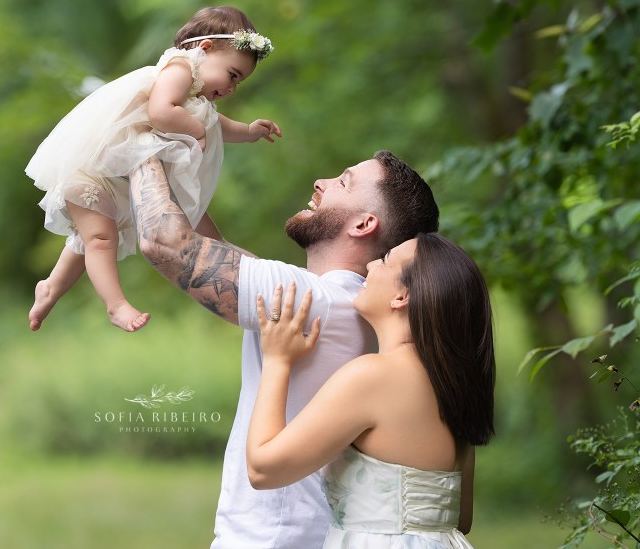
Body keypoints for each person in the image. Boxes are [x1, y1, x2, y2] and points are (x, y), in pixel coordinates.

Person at [128, 149, 440, 548]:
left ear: (364, 223)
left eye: (342, 182)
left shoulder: (316, 301)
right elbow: (214, 250)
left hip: (273, 537)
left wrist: (138, 143)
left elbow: (165, 243)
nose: (320, 183)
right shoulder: (345, 302)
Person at [25, 6, 281, 333]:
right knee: (100, 238)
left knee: (193, 232)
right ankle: (115, 305)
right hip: (95, 172)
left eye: (239, 82)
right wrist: (197, 131)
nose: (232, 88)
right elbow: (161, 111)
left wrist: (247, 132)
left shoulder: (199, 99)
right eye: (233, 75)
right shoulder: (180, 68)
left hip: (125, 181)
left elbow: (217, 125)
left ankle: (50, 288)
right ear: (204, 49)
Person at [247, 233, 496, 548]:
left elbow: (263, 469)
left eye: (386, 261)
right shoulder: (454, 390)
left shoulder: (372, 377)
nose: (370, 265)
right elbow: (461, 518)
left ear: (401, 296)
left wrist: (277, 361)